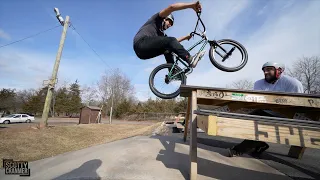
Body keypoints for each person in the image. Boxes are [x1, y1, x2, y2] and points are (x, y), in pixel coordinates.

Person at [228, 61, 304, 157]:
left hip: (284, 115)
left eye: (269, 70)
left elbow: (300, 105)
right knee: (244, 123)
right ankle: (261, 145)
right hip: (265, 111)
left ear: (279, 70)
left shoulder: (292, 83)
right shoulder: (259, 83)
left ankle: (238, 150)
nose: (266, 72)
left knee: (260, 128)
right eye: (264, 70)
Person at [133, 1, 204, 68]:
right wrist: (191, 5)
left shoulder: (161, 34)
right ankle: (189, 59)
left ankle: (172, 72)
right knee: (170, 40)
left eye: (171, 25)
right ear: (165, 19)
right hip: (141, 42)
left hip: (143, 55)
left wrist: (185, 37)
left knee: (169, 48)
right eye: (169, 22)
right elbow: (172, 7)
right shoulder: (156, 19)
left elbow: (174, 42)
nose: (170, 25)